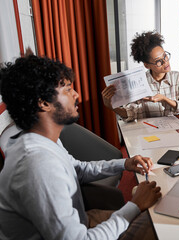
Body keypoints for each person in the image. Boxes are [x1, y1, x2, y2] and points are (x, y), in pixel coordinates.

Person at [0, 54, 161, 239]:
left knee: (155, 218)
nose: (76, 95)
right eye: (68, 89)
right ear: (43, 103)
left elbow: (78, 169)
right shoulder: (38, 164)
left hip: (80, 221)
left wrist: (125, 164)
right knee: (155, 226)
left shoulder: (41, 139)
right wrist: (135, 204)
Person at [102, 31, 179, 122]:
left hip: (175, 130)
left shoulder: (177, 77)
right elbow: (131, 113)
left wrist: (165, 99)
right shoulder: (139, 83)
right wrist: (111, 107)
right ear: (147, 65)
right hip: (149, 133)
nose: (165, 62)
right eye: (158, 61)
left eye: (165, 56)